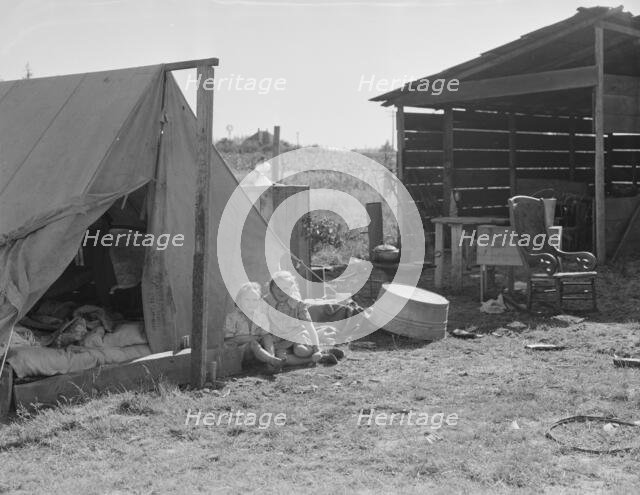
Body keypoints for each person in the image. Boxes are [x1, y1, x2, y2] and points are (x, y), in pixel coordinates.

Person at [264, 271, 339, 366]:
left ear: (292, 289)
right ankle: (315, 358)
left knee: (301, 351)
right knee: (281, 359)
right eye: (278, 288)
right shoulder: (266, 303)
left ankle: (319, 351)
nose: (281, 291)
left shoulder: (298, 304)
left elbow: (309, 327)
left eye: (285, 288)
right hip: (279, 340)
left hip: (297, 336)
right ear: (271, 288)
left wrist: (316, 349)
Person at [224, 282, 285, 370]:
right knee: (253, 343)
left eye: (254, 300)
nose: (251, 303)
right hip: (238, 354)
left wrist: (261, 339)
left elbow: (266, 337)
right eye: (247, 300)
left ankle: (271, 361)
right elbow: (228, 340)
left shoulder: (261, 317)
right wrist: (251, 338)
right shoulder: (232, 317)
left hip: (258, 354)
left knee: (267, 337)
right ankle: (272, 361)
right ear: (240, 300)